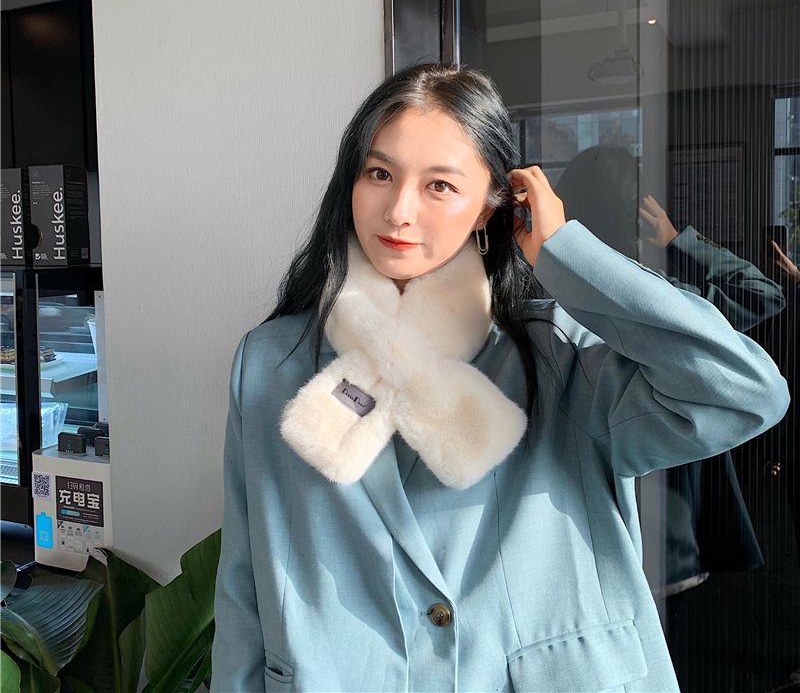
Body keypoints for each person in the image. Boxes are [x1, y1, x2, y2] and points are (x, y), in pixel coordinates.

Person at [210, 62, 790, 693]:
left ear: (492, 205)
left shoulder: (558, 355)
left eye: (439, 185)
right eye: (379, 174)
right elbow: (244, 583)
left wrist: (566, 256)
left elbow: (742, 393)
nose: (398, 210)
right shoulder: (273, 361)